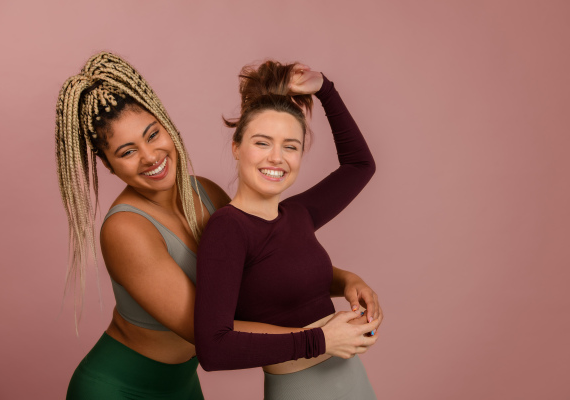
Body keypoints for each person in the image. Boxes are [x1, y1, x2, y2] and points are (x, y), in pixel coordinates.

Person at [55, 52, 382, 399]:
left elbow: (262, 266)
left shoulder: (205, 192)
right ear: (107, 165)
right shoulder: (125, 230)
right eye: (126, 151)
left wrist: (345, 280)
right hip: (118, 388)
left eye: (152, 134)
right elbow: (207, 333)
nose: (150, 156)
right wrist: (322, 337)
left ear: (167, 125)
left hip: (183, 384)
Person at [194, 61, 380, 399]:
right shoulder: (228, 228)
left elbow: (360, 164)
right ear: (237, 147)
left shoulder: (298, 214)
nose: (277, 157)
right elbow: (213, 347)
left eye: (290, 146)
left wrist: (325, 89)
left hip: (355, 385)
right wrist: (322, 340)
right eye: (263, 143)